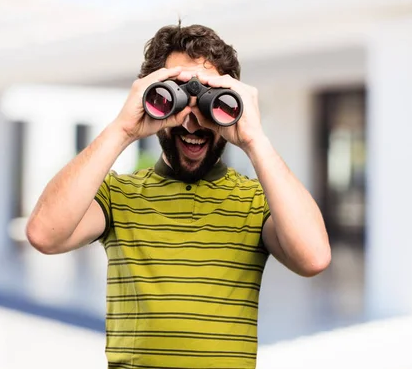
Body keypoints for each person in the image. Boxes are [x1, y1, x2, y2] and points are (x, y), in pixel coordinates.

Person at [26, 22, 331, 369]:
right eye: (178, 95)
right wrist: (122, 129)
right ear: (154, 97)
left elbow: (314, 258)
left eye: (207, 98)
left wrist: (255, 140)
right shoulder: (118, 194)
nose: (192, 121)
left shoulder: (255, 200)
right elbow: (44, 234)